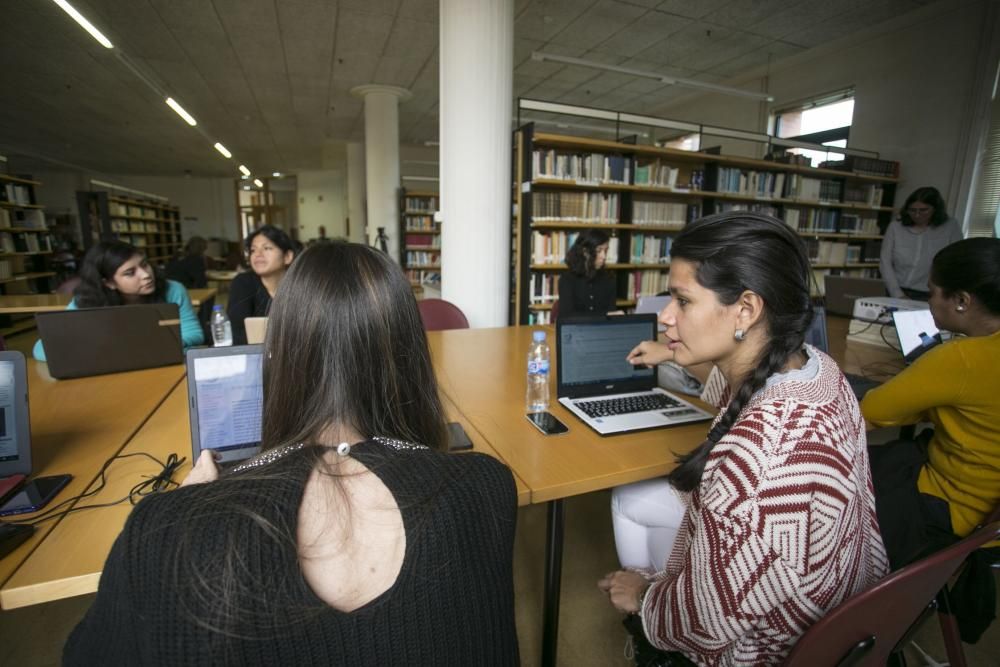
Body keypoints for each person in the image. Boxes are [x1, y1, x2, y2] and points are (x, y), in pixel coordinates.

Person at [64, 242, 520, 665]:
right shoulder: (486, 485)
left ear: (279, 353)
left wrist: (183, 506)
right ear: (409, 354)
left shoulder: (162, 529)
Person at [597, 212, 888, 665]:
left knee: (629, 504)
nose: (666, 317)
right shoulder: (819, 369)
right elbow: (732, 390)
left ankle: (648, 639)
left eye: (682, 300)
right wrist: (670, 352)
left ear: (747, 309)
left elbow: (705, 623)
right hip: (841, 599)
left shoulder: (755, 464)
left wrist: (644, 595)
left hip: (767, 648)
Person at [862, 237, 1000, 569]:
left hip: (952, 509)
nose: (929, 303)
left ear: (962, 301)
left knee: (835, 476)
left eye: (931, 292)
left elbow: (869, 412)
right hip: (991, 515)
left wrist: (924, 400)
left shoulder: (961, 358)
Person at [32, 240, 203, 361]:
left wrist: (153, 345)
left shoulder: (172, 289)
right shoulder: (87, 300)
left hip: (160, 366)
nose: (145, 275)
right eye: (130, 273)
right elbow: (41, 349)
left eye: (144, 264)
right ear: (109, 283)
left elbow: (194, 334)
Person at [880, 186, 963, 300]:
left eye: (923, 210)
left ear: (935, 209)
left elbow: (956, 261)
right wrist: (897, 294)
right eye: (912, 210)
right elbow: (885, 262)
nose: (917, 215)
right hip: (896, 289)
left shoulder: (951, 226)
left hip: (930, 293)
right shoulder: (895, 227)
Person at [227, 225, 297, 345]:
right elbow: (236, 332)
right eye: (253, 250)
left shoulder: (300, 284)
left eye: (267, 248)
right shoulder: (243, 283)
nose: (258, 254)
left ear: (287, 256)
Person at [557, 228, 616, 318]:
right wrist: (604, 315)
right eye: (599, 250)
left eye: (606, 250)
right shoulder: (567, 280)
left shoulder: (609, 279)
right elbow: (567, 317)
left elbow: (611, 314)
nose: (604, 256)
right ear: (585, 252)